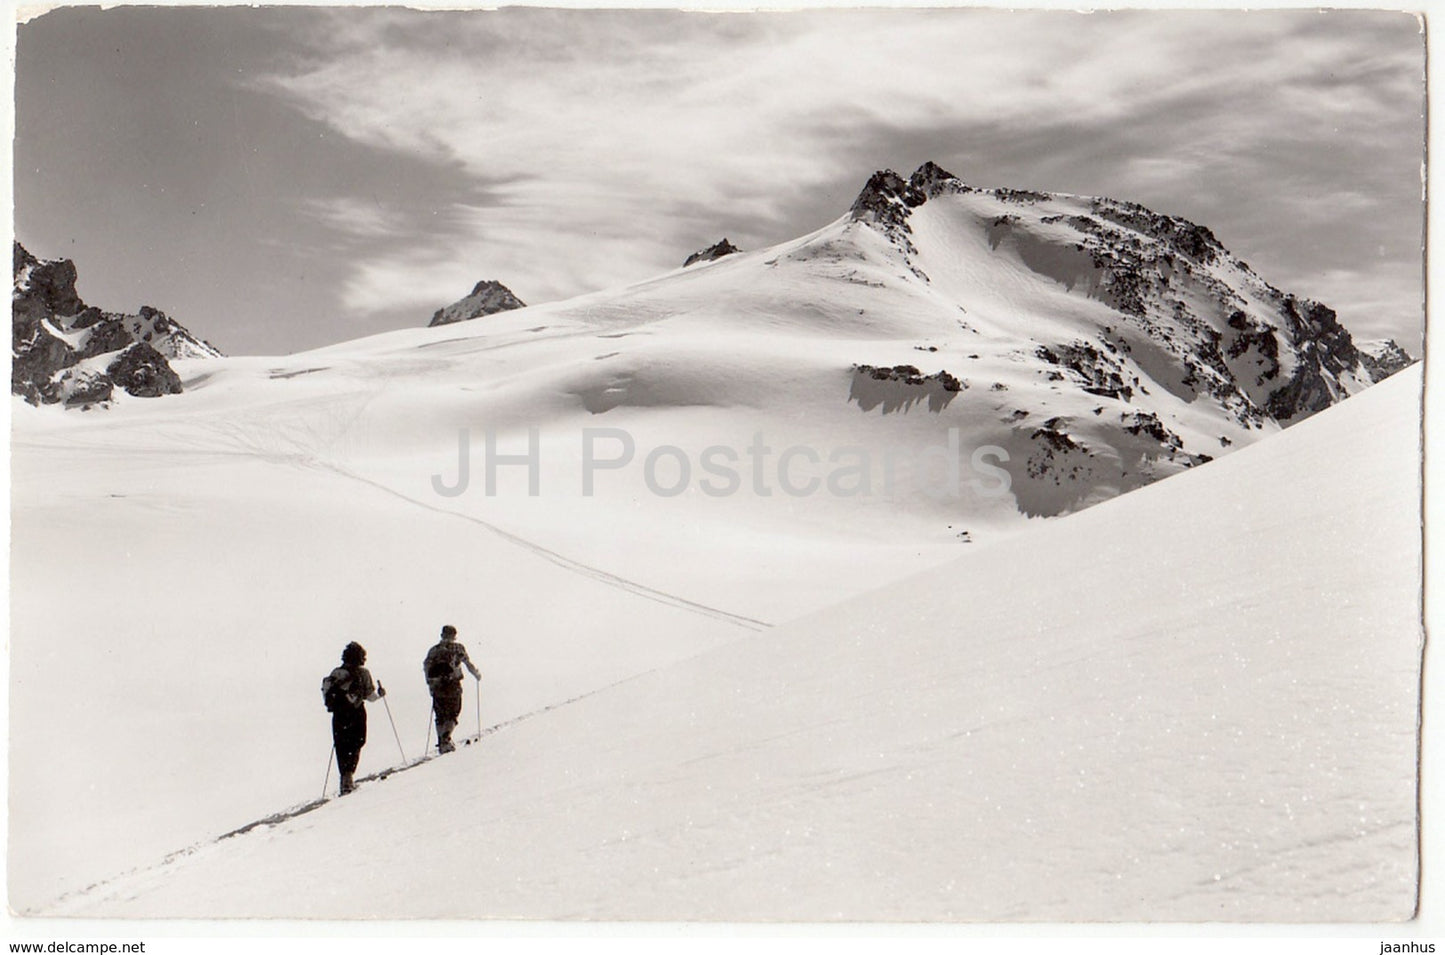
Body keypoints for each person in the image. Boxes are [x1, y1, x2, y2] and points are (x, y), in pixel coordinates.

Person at [323, 641, 386, 795]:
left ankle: (345, 779)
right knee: (356, 743)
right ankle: (349, 777)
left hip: (339, 715)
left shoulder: (336, 673)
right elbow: (370, 696)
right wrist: (380, 695)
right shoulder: (363, 673)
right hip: (356, 712)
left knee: (341, 745)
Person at [423, 625, 480, 754]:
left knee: (440, 715)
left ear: (442, 634)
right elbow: (467, 663)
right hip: (453, 684)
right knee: (453, 713)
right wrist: (476, 674)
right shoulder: (458, 648)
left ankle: (441, 742)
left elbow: (426, 666)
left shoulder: (433, 650)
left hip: (437, 686)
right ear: (454, 635)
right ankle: (446, 738)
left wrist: (430, 684)